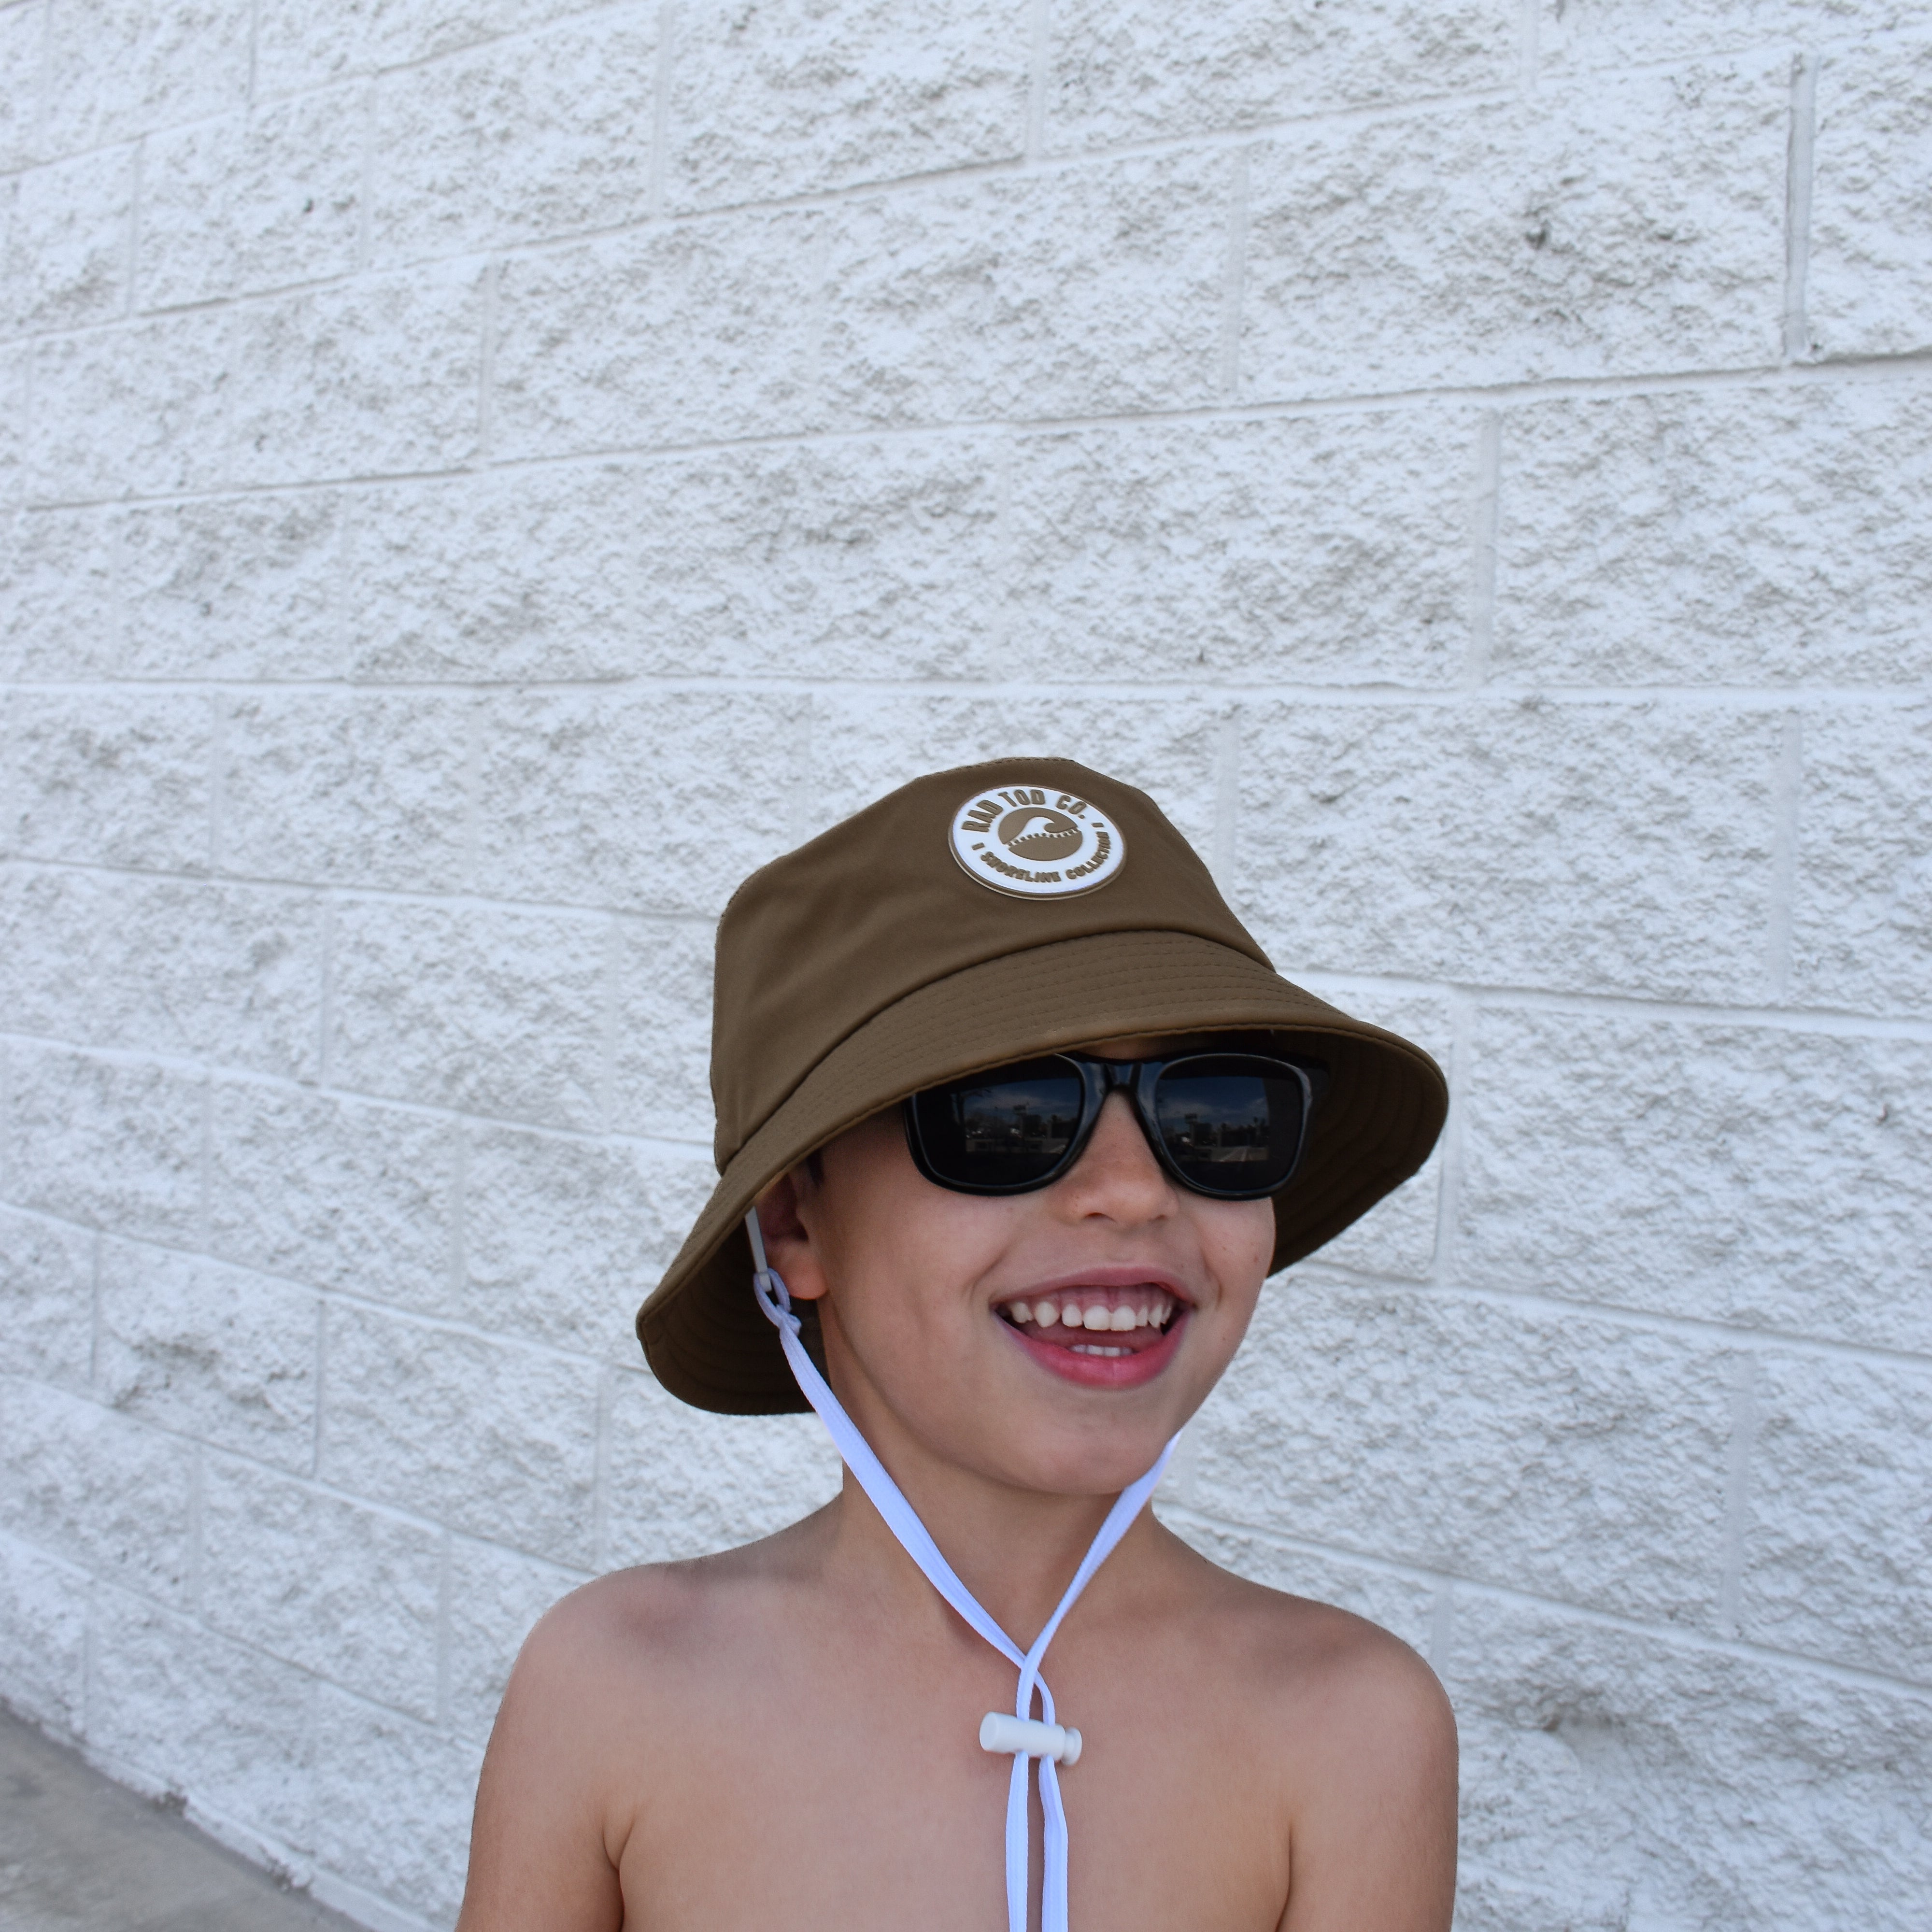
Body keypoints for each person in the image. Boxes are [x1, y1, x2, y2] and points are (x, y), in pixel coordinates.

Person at [456, 758, 1457, 1932]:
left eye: (1217, 1112)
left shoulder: (1349, 1728)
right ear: (795, 1221)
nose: (1132, 1190)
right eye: (1008, 1114)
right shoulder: (611, 1687)